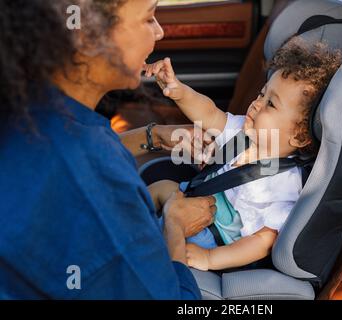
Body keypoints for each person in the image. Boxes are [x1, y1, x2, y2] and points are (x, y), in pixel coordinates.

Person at [0, 0, 216, 299]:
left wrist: (154, 137)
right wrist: (175, 225)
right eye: (149, 18)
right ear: (86, 35)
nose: (160, 32)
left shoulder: (26, 103)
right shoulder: (95, 177)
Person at [144, 36, 342, 271]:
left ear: (299, 136)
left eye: (271, 104)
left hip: (214, 236)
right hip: (192, 200)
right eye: (262, 94)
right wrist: (178, 91)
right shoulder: (242, 131)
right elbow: (208, 113)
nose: (257, 103)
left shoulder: (285, 183)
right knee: (162, 185)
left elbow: (262, 241)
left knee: (158, 240)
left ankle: (137, 242)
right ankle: (120, 212)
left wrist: (210, 258)